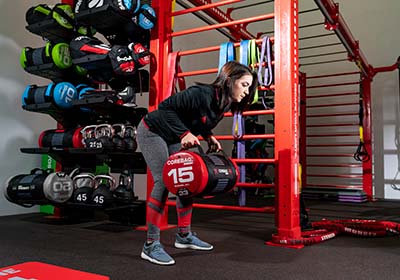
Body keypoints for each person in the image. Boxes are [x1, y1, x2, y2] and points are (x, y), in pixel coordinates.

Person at [136, 61, 258, 265]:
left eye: (249, 87)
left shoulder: (224, 103)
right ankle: (151, 244)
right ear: (230, 81)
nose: (247, 91)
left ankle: (183, 236)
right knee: (164, 182)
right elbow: (166, 109)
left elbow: (196, 119)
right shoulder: (201, 93)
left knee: (188, 180)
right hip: (153, 130)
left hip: (174, 136)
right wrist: (184, 134)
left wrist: (209, 136)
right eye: (244, 85)